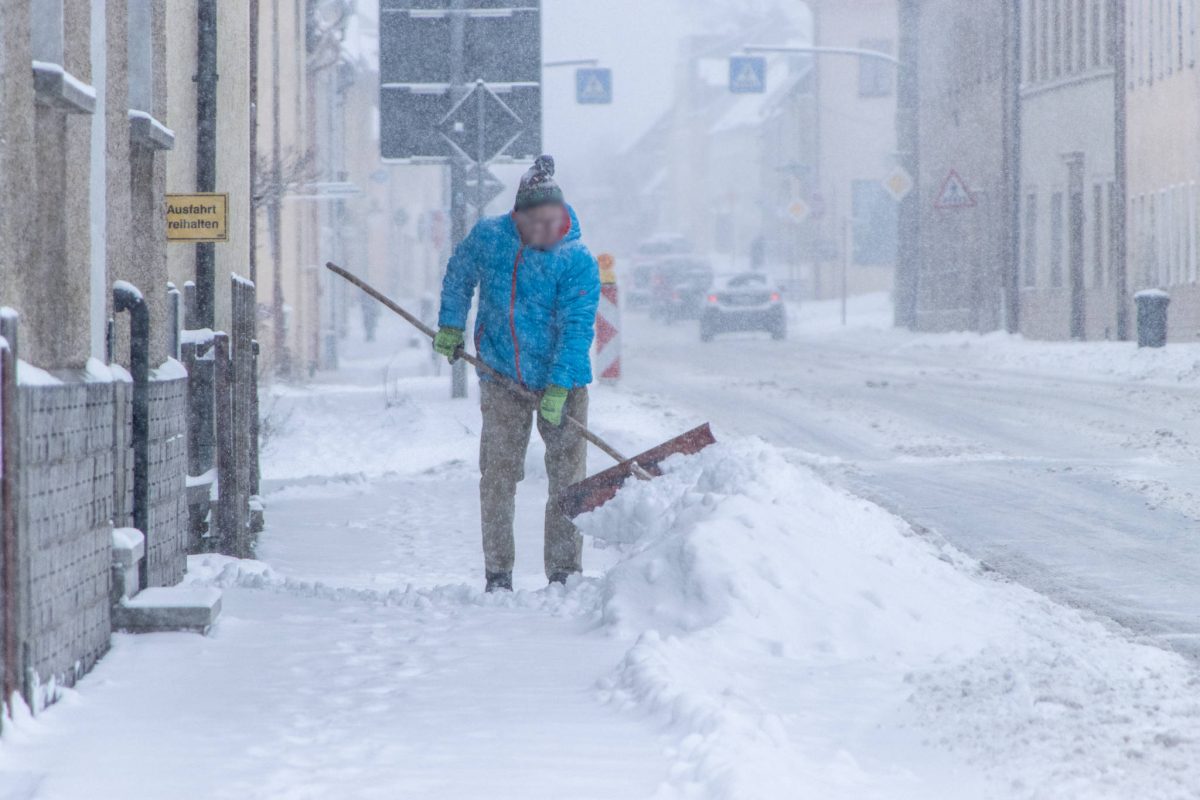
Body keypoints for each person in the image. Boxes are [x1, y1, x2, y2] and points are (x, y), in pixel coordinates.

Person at [433, 156, 600, 593]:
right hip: (501, 374)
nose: (545, 230)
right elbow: (458, 277)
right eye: (535, 222)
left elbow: (577, 326)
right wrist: (451, 323)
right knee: (498, 476)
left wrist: (559, 385)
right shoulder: (490, 238)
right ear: (517, 216)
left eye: (552, 220)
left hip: (563, 384)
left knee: (568, 479)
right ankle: (498, 573)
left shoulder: (576, 259)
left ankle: (564, 571)